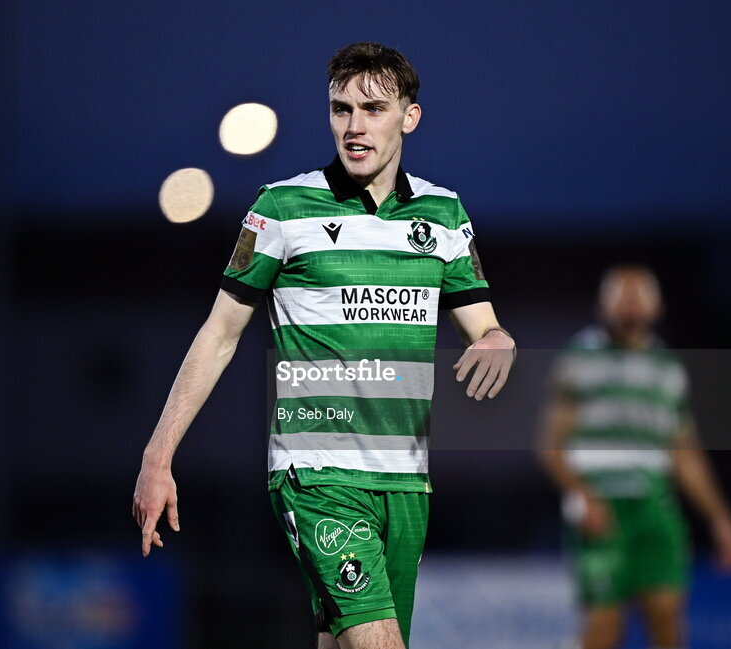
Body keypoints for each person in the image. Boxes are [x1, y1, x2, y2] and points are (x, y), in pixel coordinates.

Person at [132, 42, 516, 649]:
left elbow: (486, 326)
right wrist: (158, 457)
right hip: (317, 474)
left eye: (373, 108)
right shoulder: (282, 209)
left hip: (406, 481)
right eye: (341, 109)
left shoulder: (443, 216)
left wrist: (498, 343)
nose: (354, 125)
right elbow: (220, 332)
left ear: (409, 117)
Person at [538, 265, 731, 649]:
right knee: (603, 625)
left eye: (639, 297)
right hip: (601, 503)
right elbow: (551, 445)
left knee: (666, 614)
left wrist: (721, 518)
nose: (630, 306)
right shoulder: (579, 359)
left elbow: (686, 455)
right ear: (602, 305)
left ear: (658, 306)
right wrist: (581, 494)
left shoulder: (668, 368)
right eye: (621, 296)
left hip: (654, 505)